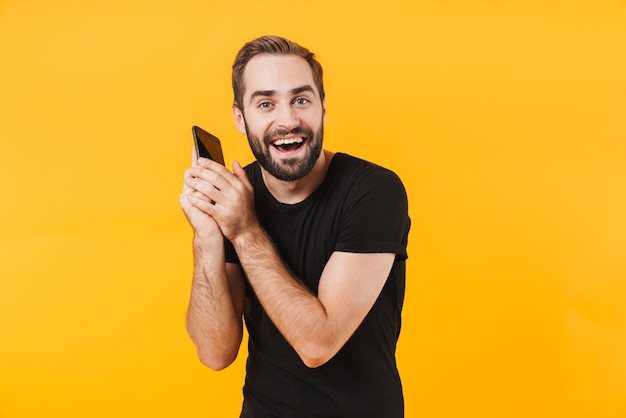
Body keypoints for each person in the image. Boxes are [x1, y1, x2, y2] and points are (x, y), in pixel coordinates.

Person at [180, 35, 410, 418]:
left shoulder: (374, 190)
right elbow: (215, 352)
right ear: (240, 117)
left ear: (323, 108)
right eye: (266, 103)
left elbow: (318, 345)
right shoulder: (238, 199)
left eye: (301, 100)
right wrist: (207, 237)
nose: (287, 120)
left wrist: (243, 230)